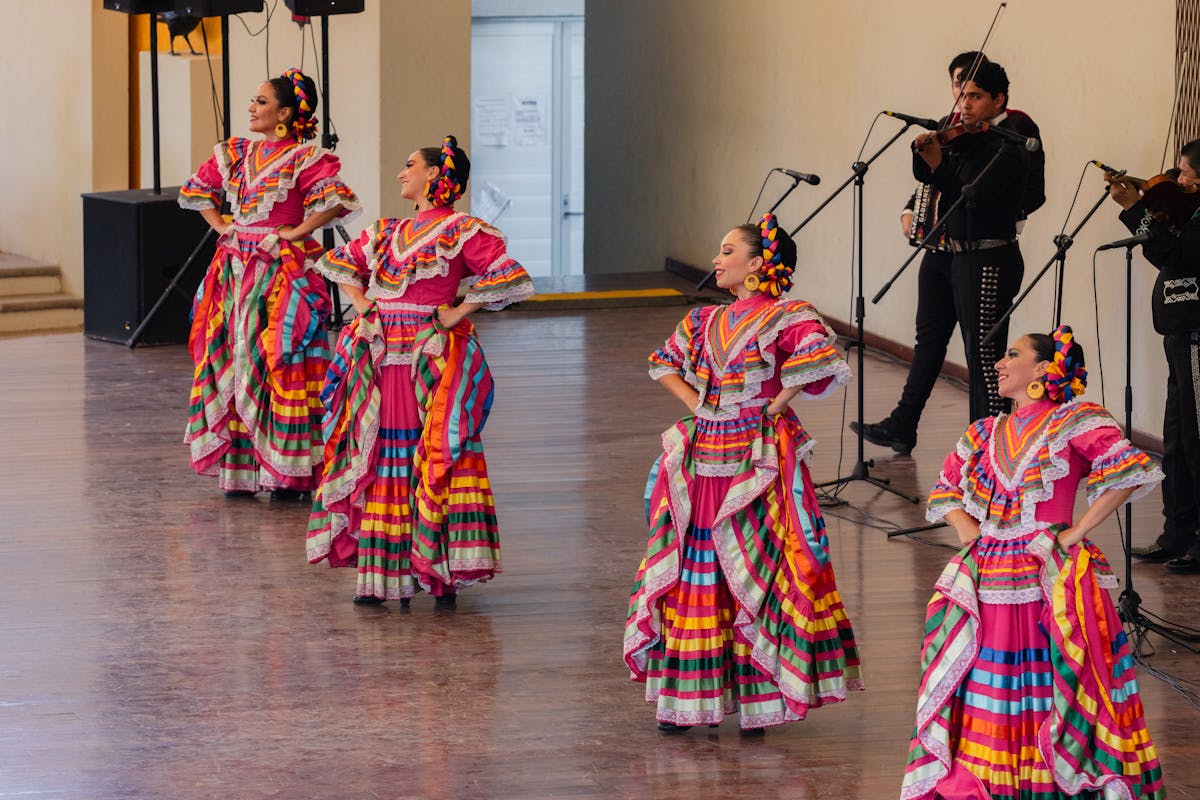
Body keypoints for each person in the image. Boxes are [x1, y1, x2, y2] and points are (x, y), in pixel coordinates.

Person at [901, 326, 1167, 800]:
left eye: (1013, 353)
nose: (1000, 363)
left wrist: (1077, 532)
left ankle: (1051, 779)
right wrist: (970, 534)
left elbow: (1129, 470)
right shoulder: (985, 430)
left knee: (1054, 675)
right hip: (989, 574)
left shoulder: (1075, 420)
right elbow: (946, 489)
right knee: (992, 677)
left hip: (1051, 574)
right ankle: (994, 782)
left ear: (1043, 369)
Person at [624, 214, 863, 734]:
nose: (716, 259)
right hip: (706, 447)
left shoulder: (788, 315)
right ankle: (693, 696)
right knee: (699, 557)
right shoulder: (705, 318)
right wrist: (698, 403)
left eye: (727, 250)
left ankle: (759, 697)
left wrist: (776, 404)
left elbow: (820, 356)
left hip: (757, 452)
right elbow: (664, 361)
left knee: (759, 559)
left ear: (758, 264)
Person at [306, 136, 535, 608]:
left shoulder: (462, 229)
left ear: (434, 174)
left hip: (428, 360)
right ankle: (385, 573)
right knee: (382, 453)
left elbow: (509, 275)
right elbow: (342, 263)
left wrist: (456, 312)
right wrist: (364, 303)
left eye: (409, 164)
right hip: (380, 353)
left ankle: (432, 567)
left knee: (426, 455)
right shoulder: (387, 231)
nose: (400, 173)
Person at [179, 68, 361, 499]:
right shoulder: (237, 152)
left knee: (280, 357)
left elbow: (335, 202)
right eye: (254, 100)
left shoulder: (306, 158)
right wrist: (223, 226)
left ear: (284, 112)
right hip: (234, 267)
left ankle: (287, 472)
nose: (251, 108)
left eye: (260, 102)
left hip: (280, 269)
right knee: (230, 353)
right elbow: (198, 189)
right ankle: (242, 469)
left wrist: (296, 233)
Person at [856, 52, 1045, 454]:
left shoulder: (1012, 136)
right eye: (960, 90)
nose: (963, 102)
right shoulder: (958, 130)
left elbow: (972, 192)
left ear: (998, 99)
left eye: (974, 94)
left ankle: (990, 445)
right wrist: (916, 194)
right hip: (946, 249)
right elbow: (934, 181)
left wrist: (1011, 215)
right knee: (929, 339)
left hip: (987, 252)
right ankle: (904, 423)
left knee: (984, 354)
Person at [1107, 142, 1200, 574]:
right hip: (1180, 337)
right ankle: (1177, 534)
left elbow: (1176, 256)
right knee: (1177, 441)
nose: (1178, 181)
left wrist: (1134, 210)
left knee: (1196, 441)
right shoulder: (1189, 211)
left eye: (1183, 174)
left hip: (1197, 339)